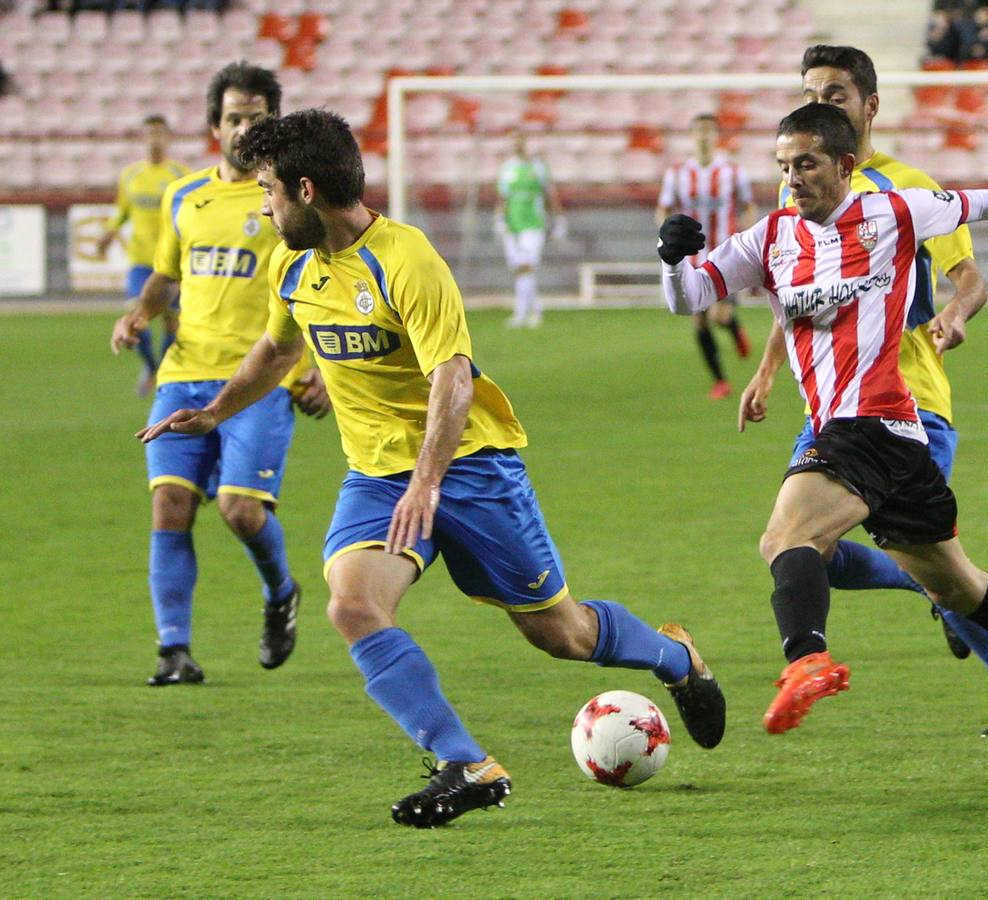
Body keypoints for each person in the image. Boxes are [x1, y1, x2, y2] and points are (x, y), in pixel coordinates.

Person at [139, 108, 726, 828]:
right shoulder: (290, 263)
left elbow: (452, 374)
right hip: (377, 477)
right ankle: (467, 763)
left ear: (304, 189)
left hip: (472, 468)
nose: (260, 204)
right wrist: (216, 411)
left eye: (268, 189)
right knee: (352, 604)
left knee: (561, 635)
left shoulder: (406, 258)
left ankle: (675, 658)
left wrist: (428, 480)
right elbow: (278, 350)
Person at [660, 103, 988, 749]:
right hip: (892, 439)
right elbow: (688, 296)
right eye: (783, 166)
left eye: (806, 164)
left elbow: (981, 202)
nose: (793, 178)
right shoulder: (770, 238)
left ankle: (806, 661)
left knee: (785, 537)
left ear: (845, 165)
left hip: (872, 420)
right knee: (958, 586)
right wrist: (672, 259)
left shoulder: (892, 213)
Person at [744, 44, 988, 736]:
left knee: (922, 567)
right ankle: (937, 599)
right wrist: (765, 370)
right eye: (810, 93)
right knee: (796, 549)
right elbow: (794, 293)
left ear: (868, 106)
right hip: (832, 408)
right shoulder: (802, 183)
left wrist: (954, 314)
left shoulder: (908, 188)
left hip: (908, 402)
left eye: (835, 94)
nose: (821, 105)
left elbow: (968, 278)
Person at [110, 62, 328, 687]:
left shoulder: (291, 199)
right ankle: (173, 651)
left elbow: (320, 287)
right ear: (214, 125)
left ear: (274, 124)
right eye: (233, 117)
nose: (243, 128)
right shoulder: (186, 197)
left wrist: (316, 368)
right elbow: (166, 274)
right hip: (183, 375)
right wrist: (139, 313)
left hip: (257, 382)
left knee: (239, 511)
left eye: (257, 118)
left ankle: (281, 591)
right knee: (170, 506)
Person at [655, 113, 758, 399]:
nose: (703, 135)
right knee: (698, 319)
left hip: (724, 255)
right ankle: (720, 381)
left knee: (718, 316)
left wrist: (746, 234)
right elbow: (662, 210)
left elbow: (748, 206)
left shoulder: (732, 171)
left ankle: (734, 327)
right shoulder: (676, 173)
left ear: (715, 136)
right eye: (698, 130)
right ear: (692, 135)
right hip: (692, 257)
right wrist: (667, 235)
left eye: (708, 131)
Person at [98, 114, 189, 396]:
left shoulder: (180, 175)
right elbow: (123, 211)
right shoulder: (131, 175)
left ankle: (161, 370)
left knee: (172, 322)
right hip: (139, 260)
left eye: (160, 133)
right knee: (138, 320)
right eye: (150, 133)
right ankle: (152, 367)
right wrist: (109, 233)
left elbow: (191, 217)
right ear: (143, 138)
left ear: (169, 138)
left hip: (171, 263)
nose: (155, 139)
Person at [495, 133, 566, 328]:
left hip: (533, 224)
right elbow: (503, 197)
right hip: (512, 225)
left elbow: (549, 194)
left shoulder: (538, 168)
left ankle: (520, 313)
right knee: (519, 269)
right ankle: (535, 311)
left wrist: (559, 218)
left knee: (526, 265)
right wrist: (500, 219)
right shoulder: (508, 169)